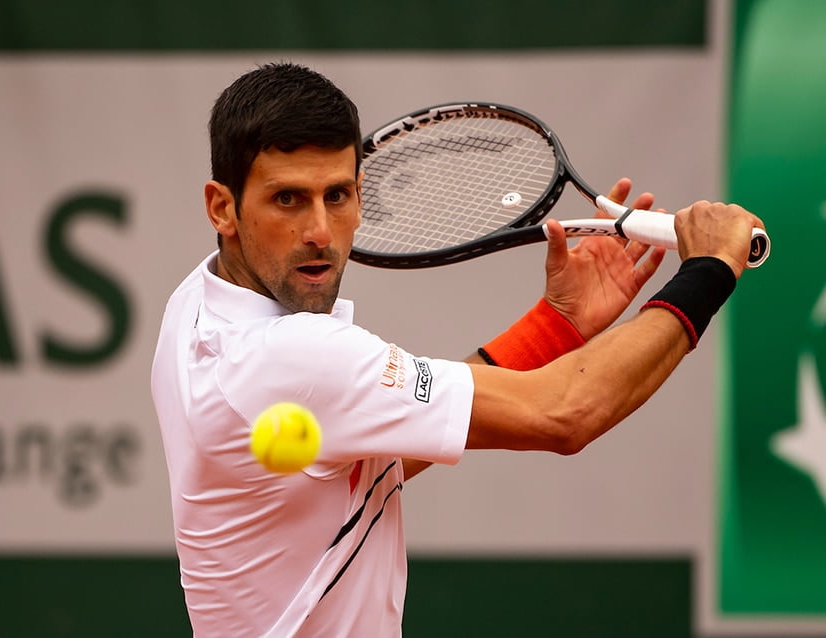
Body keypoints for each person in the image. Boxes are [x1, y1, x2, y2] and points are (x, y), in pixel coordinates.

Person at [150, 62, 764, 637]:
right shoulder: (290, 359)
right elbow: (569, 412)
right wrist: (708, 270)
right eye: (288, 199)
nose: (318, 231)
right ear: (221, 207)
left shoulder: (194, 309)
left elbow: (360, 456)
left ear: (361, 194)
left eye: (336, 195)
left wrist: (557, 326)